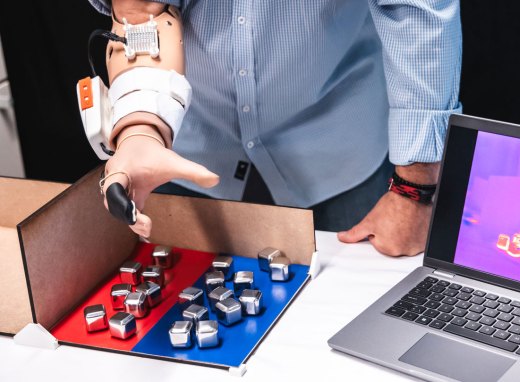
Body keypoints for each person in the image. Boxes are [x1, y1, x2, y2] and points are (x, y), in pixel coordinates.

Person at [91, 0, 462, 257]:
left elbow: (417, 11)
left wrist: (415, 189)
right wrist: (141, 129)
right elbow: (140, 13)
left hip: (336, 130)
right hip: (196, 134)